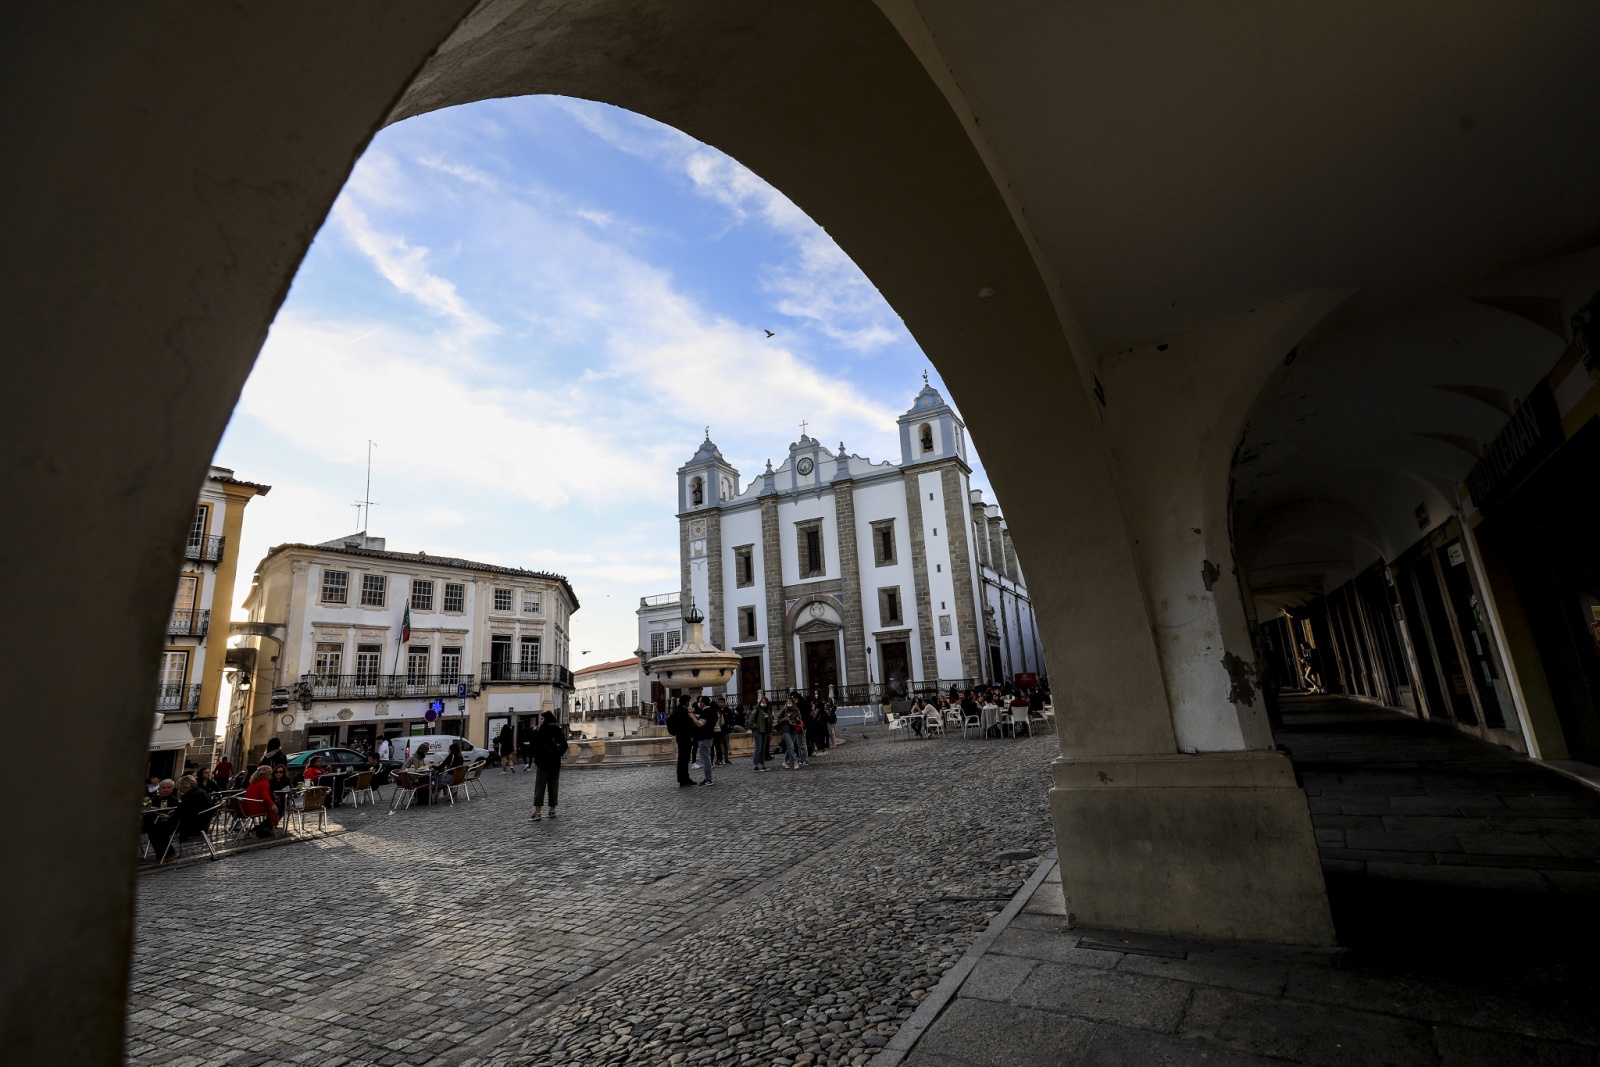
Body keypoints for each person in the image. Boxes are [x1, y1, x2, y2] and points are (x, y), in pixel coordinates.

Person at [529, 711, 568, 821]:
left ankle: (538, 812)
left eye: (542, 719)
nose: (540, 721)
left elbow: (534, 745)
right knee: (553, 786)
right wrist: (556, 754)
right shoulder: (558, 729)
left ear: (546, 719)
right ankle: (552, 809)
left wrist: (533, 733)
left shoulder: (542, 730)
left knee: (540, 787)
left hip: (543, 762)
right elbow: (564, 745)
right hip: (555, 762)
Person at [238, 766, 279, 837]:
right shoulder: (264, 782)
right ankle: (265, 828)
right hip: (254, 808)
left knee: (272, 807)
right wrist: (272, 804)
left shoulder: (253, 782)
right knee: (275, 809)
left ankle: (263, 827)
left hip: (245, 807)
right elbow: (264, 795)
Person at [667, 696, 694, 787]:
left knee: (685, 758)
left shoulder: (680, 710)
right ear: (686, 702)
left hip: (684, 736)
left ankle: (686, 777)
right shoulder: (680, 711)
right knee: (683, 758)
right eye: (688, 701)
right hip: (683, 736)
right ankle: (682, 780)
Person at [693, 698, 718, 785]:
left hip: (704, 737)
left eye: (700, 702)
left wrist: (692, 717)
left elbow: (700, 724)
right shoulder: (710, 711)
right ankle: (708, 778)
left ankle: (708, 779)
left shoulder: (706, 712)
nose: (699, 703)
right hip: (709, 736)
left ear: (703, 703)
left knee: (705, 760)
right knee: (706, 758)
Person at [779, 698, 807, 769]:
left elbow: (799, 720)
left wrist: (792, 721)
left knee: (790, 747)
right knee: (791, 746)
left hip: (793, 730)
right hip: (785, 730)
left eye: (790, 701)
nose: (789, 702)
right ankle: (795, 762)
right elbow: (778, 720)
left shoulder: (796, 711)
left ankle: (785, 761)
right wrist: (784, 719)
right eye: (787, 701)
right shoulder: (783, 711)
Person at [748, 698, 772, 772]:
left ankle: (763, 764)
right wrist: (756, 727)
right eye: (762, 701)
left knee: (763, 749)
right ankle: (756, 765)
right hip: (758, 731)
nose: (763, 702)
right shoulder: (757, 710)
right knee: (758, 748)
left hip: (765, 731)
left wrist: (770, 732)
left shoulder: (768, 710)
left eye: (765, 701)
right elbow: (750, 721)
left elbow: (770, 722)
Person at [712, 696, 732, 766]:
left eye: (721, 702)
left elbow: (731, 719)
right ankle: (718, 759)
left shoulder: (728, 711)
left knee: (726, 745)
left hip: (725, 731)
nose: (720, 704)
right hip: (718, 731)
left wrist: (729, 725)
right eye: (719, 702)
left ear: (724, 703)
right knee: (718, 746)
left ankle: (726, 759)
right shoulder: (717, 711)